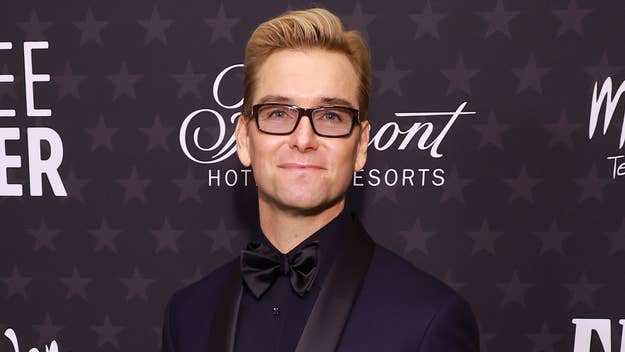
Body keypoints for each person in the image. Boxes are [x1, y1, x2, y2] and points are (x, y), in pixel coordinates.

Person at [162, 7, 479, 352]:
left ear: (360, 146)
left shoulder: (429, 320)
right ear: (243, 139)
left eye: (330, 116)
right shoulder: (187, 315)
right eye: (278, 113)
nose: (303, 139)